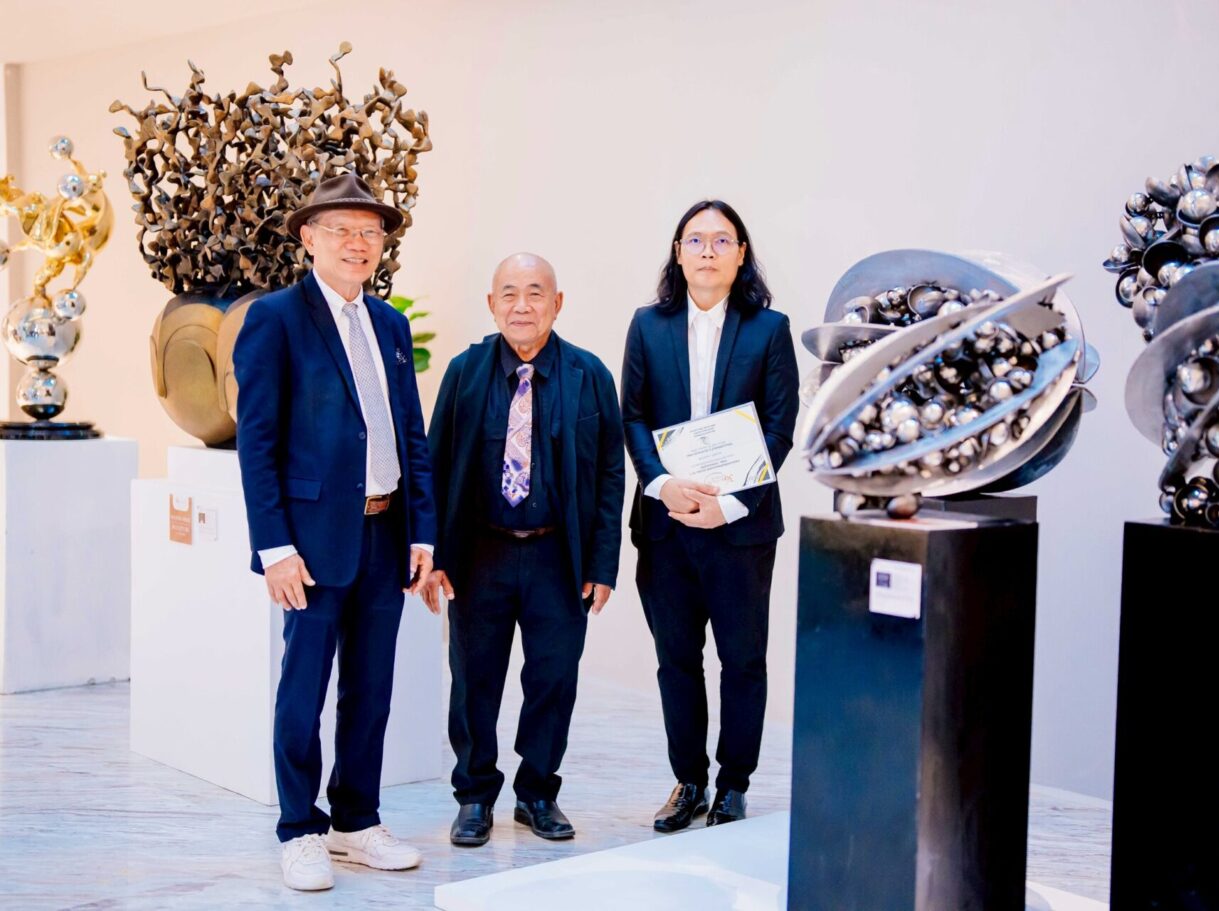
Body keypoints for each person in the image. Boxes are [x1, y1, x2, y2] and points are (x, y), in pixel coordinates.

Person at [234, 172, 438, 891]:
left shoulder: (389, 323)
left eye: (370, 232)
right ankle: (299, 829)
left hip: (386, 534)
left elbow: (410, 435)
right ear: (308, 237)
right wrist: (275, 547)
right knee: (303, 690)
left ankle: (355, 821)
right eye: (342, 229)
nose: (359, 243)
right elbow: (257, 441)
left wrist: (422, 532)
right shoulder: (275, 319)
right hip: (311, 542)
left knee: (371, 689)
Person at [423, 253, 625, 847]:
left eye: (535, 293)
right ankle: (474, 796)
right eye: (508, 293)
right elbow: (435, 465)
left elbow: (611, 475)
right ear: (492, 305)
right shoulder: (464, 372)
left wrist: (602, 563)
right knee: (473, 681)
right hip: (479, 555)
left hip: (557, 557)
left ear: (556, 304)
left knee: (553, 679)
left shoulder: (590, 374)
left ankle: (537, 792)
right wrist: (435, 555)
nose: (521, 305)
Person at [620, 200, 799, 831]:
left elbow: (780, 427)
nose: (707, 251)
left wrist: (730, 503)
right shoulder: (648, 326)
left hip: (741, 528)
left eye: (722, 240)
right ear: (678, 253)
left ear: (741, 254)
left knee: (743, 661)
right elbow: (633, 415)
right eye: (695, 240)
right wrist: (662, 484)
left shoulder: (768, 329)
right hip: (665, 525)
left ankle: (733, 785)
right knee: (676, 660)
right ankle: (689, 781)